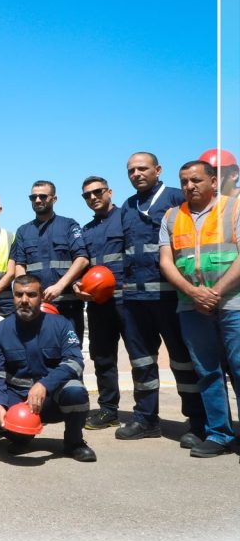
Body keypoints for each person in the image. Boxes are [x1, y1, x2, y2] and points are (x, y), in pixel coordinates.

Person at [116, 152, 205, 443]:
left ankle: (198, 422)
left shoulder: (177, 198)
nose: (136, 174)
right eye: (131, 171)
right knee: (142, 362)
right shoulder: (128, 206)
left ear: (158, 169)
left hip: (172, 299)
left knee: (183, 361)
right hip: (135, 301)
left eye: (142, 168)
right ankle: (146, 419)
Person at [159, 160, 240, 458]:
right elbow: (166, 261)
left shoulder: (235, 208)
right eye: (184, 181)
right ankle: (219, 434)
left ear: (214, 182)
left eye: (196, 180)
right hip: (191, 305)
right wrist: (194, 293)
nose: (189, 186)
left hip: (233, 302)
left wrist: (214, 293)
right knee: (207, 372)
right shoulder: (171, 216)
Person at [0, 275, 96, 462]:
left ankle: (74, 442)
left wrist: (44, 385)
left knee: (75, 391)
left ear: (41, 296)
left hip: (52, 396)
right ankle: (20, 437)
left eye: (31, 295)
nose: (24, 300)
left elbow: (75, 361)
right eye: (19, 295)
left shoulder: (61, 325)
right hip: (18, 397)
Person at [73, 176, 125, 431]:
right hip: (98, 304)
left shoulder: (126, 218)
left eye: (98, 192)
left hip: (127, 301)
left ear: (109, 192)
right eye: (87, 195)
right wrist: (77, 284)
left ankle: (146, 415)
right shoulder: (86, 230)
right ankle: (108, 410)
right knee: (103, 358)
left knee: (141, 359)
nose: (93, 197)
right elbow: (82, 265)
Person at [9, 181, 90, 338]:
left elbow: (82, 259)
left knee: (70, 349)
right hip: (36, 308)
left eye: (43, 196)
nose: (37, 200)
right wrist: (27, 293)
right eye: (33, 197)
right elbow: (20, 265)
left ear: (54, 199)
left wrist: (60, 286)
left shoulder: (69, 225)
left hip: (68, 306)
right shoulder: (23, 231)